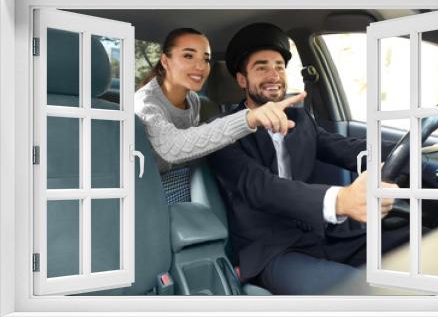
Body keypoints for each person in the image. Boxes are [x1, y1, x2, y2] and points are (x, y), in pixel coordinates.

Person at [209, 23, 410, 295]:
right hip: (274, 250)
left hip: (323, 234)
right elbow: (261, 187)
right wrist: (341, 200)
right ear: (242, 80)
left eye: (279, 66)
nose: (274, 75)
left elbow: (347, 148)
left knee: (420, 243)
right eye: (261, 67)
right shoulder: (222, 131)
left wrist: (410, 150)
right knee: (359, 291)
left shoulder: (300, 119)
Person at [134, 28, 305, 174]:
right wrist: (249, 118)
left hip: (178, 173)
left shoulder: (192, 99)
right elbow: (172, 148)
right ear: (165, 61)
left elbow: (191, 147)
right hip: (146, 184)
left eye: (206, 59)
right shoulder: (145, 102)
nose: (200, 66)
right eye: (188, 56)